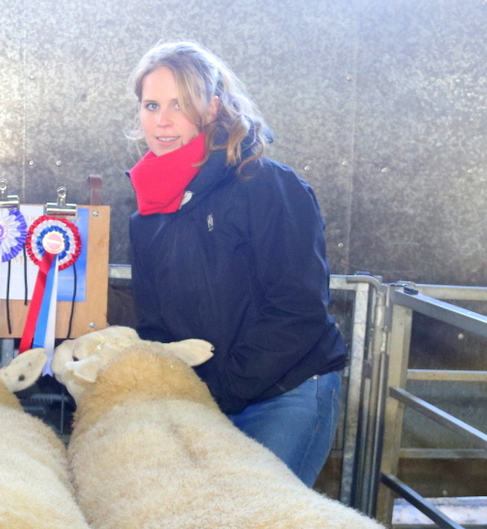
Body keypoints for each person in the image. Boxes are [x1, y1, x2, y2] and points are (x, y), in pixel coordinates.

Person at [126, 40, 346, 487]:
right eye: (152, 105)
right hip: (205, 396)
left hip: (285, 389)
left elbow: (297, 308)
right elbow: (155, 324)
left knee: (257, 516)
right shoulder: (149, 214)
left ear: (212, 108)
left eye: (179, 104)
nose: (162, 120)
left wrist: (219, 392)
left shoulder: (266, 185)